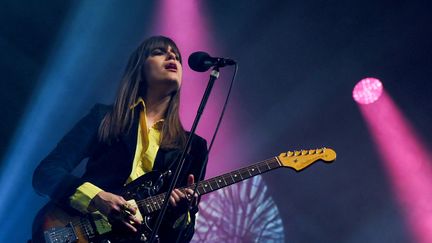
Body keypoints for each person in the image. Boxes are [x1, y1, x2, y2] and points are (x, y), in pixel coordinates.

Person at [32, 36, 208, 242]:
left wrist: (180, 214)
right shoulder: (104, 117)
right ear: (140, 70)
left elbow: (179, 238)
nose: (172, 56)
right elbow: (46, 174)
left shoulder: (193, 147)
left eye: (177, 56)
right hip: (76, 229)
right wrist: (96, 198)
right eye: (159, 52)